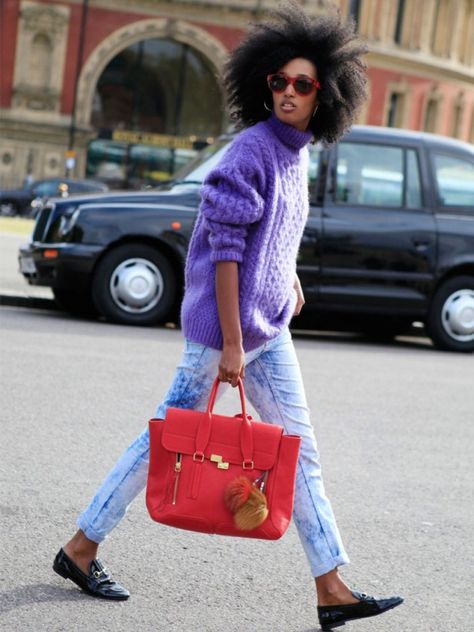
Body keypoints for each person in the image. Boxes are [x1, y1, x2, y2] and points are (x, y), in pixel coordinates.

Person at [53, 4, 403, 629]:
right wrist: (234, 344)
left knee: (300, 453)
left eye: (303, 84)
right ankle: (81, 547)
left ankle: (331, 588)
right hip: (228, 333)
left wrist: (285, 274)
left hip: (270, 329)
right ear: (261, 83)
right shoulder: (251, 151)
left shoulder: (296, 155)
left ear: (326, 94)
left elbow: (269, 235)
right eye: (279, 81)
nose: (289, 93)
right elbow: (222, 249)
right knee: (167, 440)